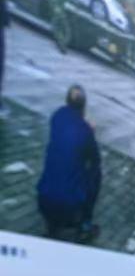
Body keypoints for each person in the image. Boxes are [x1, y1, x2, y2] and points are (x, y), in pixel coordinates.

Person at [36, 86, 102, 241]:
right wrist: (90, 131)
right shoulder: (85, 130)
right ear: (84, 105)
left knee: (60, 159)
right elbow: (95, 159)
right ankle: (85, 225)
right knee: (96, 173)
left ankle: (52, 227)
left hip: (43, 199)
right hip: (69, 206)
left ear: (66, 101)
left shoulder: (56, 116)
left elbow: (68, 133)